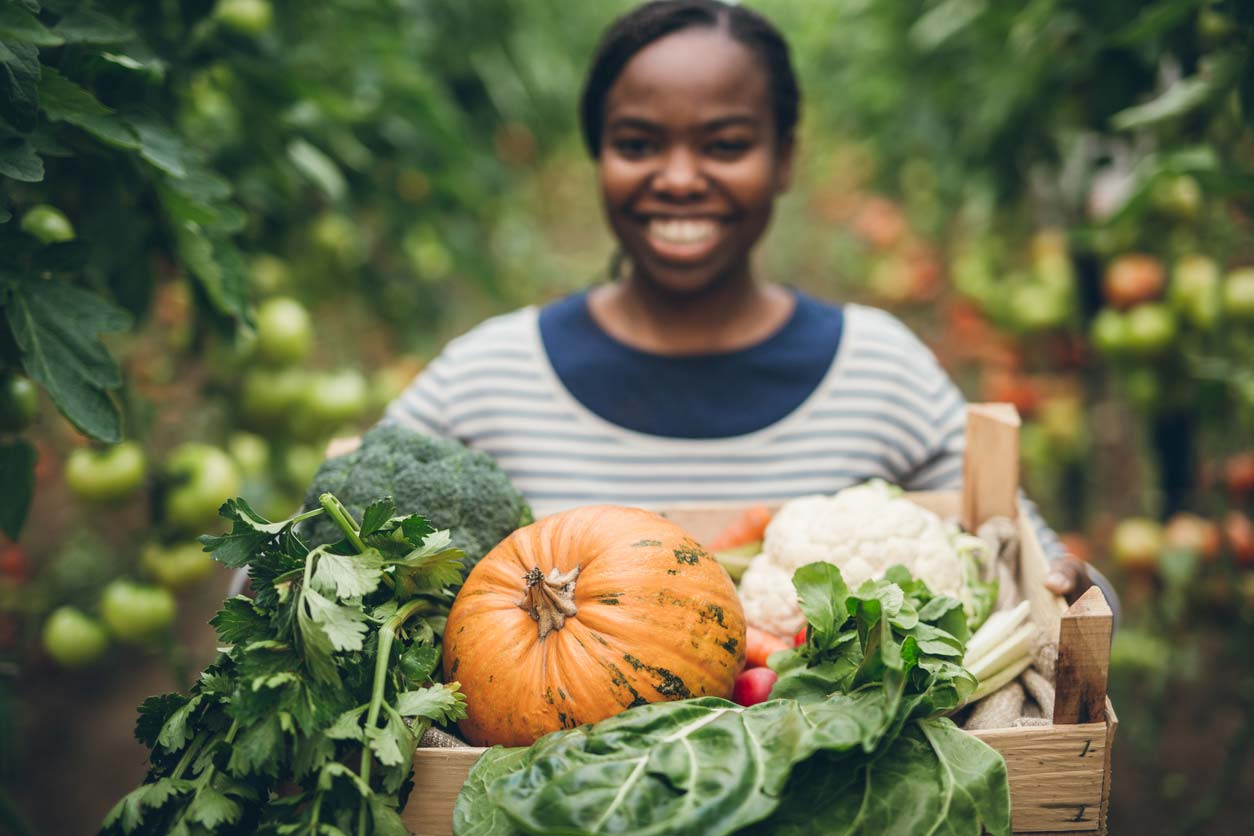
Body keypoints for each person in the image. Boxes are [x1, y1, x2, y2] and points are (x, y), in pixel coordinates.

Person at [380, 0, 1108, 609]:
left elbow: (1037, 568)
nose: (679, 178)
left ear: (784, 158)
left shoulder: (881, 373)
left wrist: (1076, 589)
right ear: (598, 156)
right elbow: (318, 538)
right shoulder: (487, 376)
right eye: (637, 143)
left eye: (725, 145)